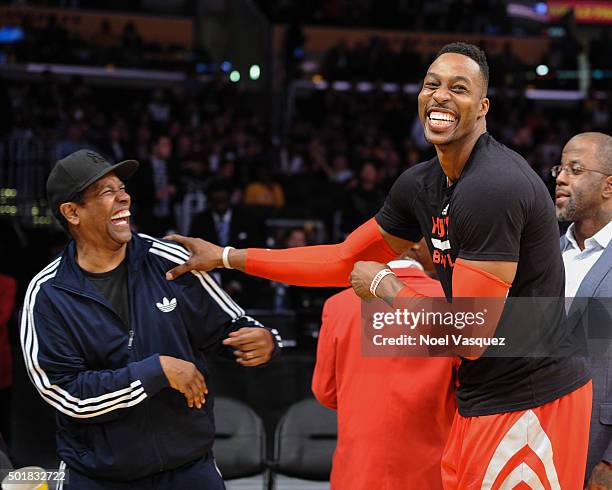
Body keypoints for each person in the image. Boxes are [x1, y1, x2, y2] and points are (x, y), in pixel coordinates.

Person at [164, 43, 591, 487]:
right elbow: (343, 258)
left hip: (533, 397)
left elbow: (469, 334)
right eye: (432, 85)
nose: (441, 95)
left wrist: (387, 284)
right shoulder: (421, 184)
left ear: (483, 108)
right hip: (484, 395)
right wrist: (227, 257)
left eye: (459, 88)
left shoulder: (493, 186)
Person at [20, 150, 281, 489]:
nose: (124, 196)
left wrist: (264, 338)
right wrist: (154, 372)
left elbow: (231, 326)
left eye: (122, 187)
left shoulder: (169, 260)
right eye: (106, 191)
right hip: (99, 478)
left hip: (189, 470)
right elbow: (69, 394)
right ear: (72, 212)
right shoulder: (48, 294)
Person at [312, 241, 457, 489]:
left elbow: (325, 392)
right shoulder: (454, 305)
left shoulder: (337, 305)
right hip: (432, 471)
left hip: (357, 471)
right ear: (414, 245)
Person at [555, 132, 612, 488]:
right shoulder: (542, 253)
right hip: (535, 438)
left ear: (609, 186)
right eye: (560, 168)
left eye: (575, 169)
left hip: (598, 444)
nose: (561, 178)